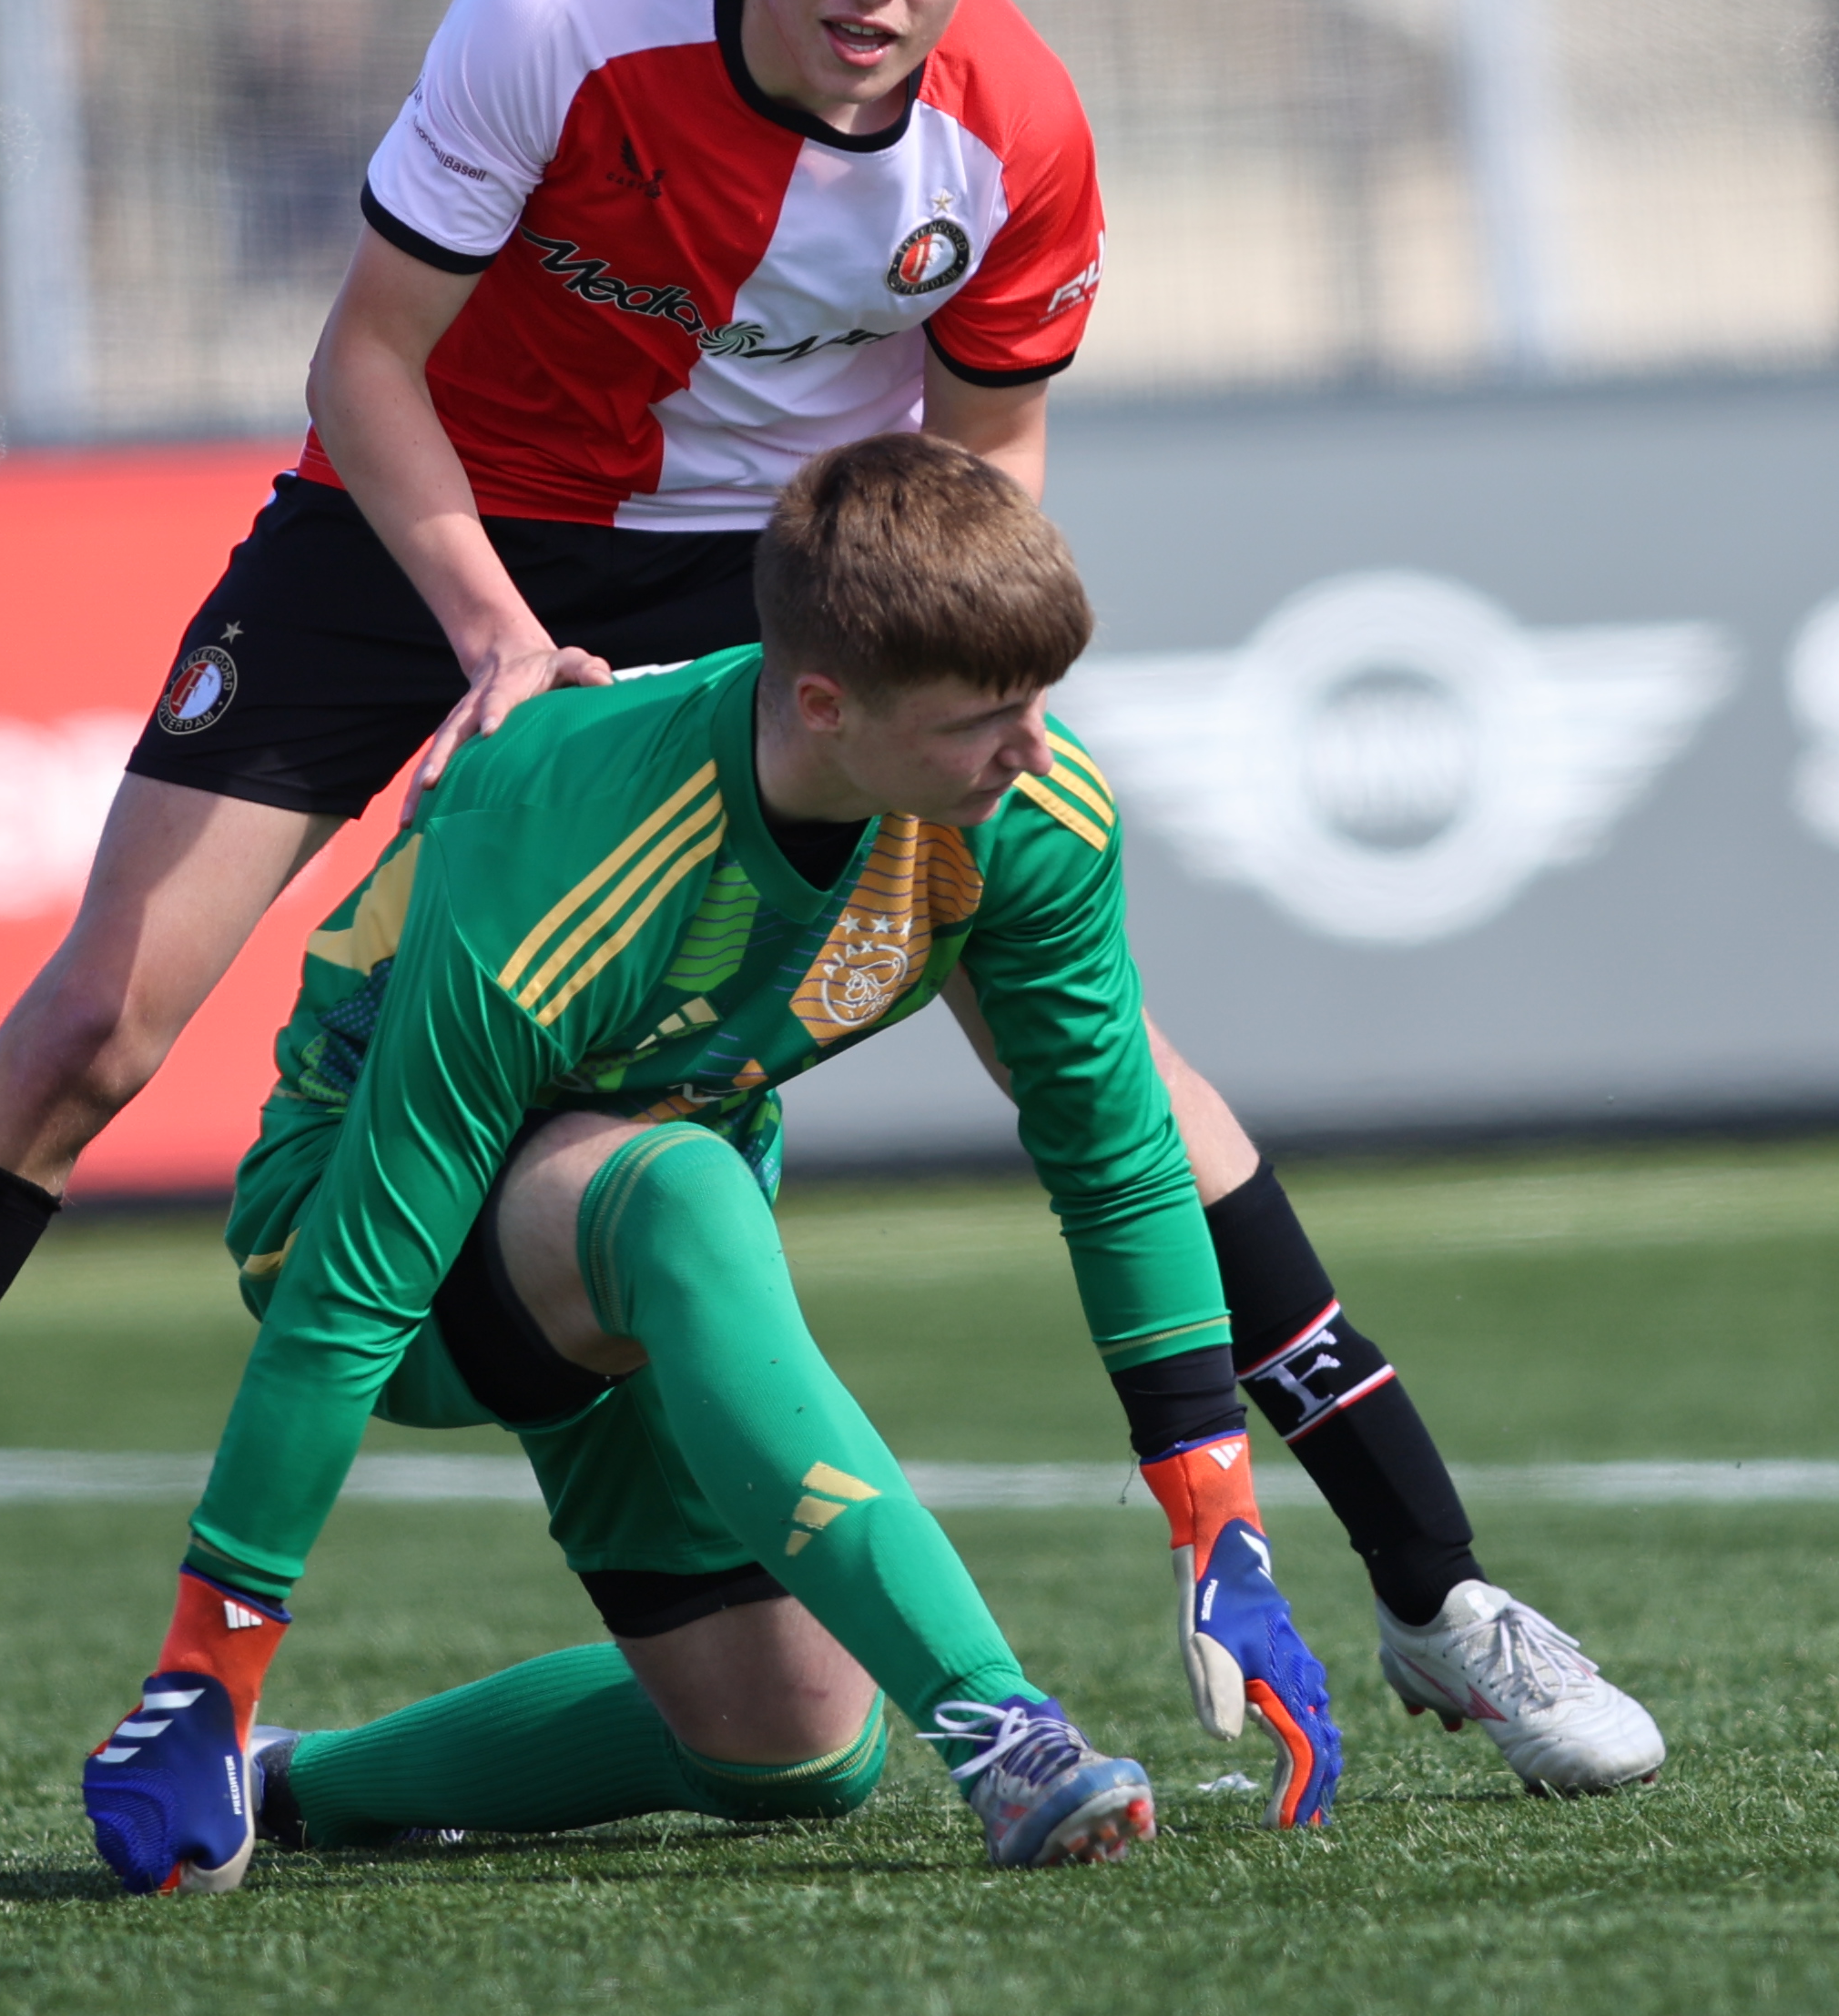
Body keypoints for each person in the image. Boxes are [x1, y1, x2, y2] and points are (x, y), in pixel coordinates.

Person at [0, 0, 1654, 1827]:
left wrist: (965, 717)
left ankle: (1435, 1591)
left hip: (758, 569)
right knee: (93, 1023)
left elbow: (988, 456)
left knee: (1115, 1066)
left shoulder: (1018, 138)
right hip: (427, 519)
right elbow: (369, 356)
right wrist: (491, 635)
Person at [78, 435, 1332, 1889]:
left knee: (791, 1749)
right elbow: (351, 1289)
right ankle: (1006, 1733)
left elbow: (1115, 1157)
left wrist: (1217, 1511)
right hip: (372, 1233)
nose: (1032, 751)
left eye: (1040, 702)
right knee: (682, 1189)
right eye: (983, 719)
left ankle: (291, 1783)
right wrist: (207, 1655)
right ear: (823, 703)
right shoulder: (558, 828)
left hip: (650, 1221)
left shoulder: (1028, 819)